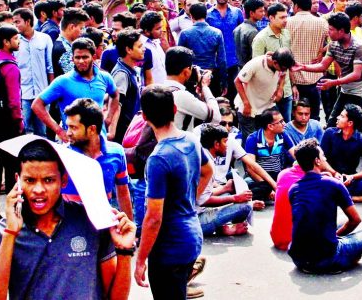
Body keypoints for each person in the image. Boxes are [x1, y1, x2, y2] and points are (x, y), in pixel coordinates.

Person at [0, 140, 136, 300]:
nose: (38, 190)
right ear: (17, 180)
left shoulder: (92, 221)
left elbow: (116, 297)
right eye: (29, 180)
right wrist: (10, 234)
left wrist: (124, 251)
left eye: (48, 180)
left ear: (64, 180)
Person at [134, 85, 212, 299]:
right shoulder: (191, 140)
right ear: (175, 109)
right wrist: (188, 201)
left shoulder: (158, 159)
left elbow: (153, 218)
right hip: (192, 236)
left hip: (170, 247)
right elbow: (208, 171)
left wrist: (140, 259)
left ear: (144, 117)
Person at [288, 139, 362, 273]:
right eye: (323, 156)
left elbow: (307, 217)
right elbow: (355, 220)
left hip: (299, 259)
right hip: (327, 257)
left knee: (338, 222)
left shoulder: (293, 189)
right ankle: (339, 260)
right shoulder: (333, 184)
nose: (325, 158)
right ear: (317, 161)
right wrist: (336, 236)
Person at [293, 13, 362, 130]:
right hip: (345, 89)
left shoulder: (359, 47)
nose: (328, 32)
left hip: (360, 91)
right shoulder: (333, 45)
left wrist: (333, 83)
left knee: (360, 126)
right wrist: (303, 67)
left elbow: (356, 75)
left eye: (331, 30)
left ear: (341, 31)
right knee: (332, 123)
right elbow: (323, 66)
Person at [33, 38, 120, 142]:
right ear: (72, 59)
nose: (81, 61)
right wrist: (59, 131)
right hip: (74, 143)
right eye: (77, 57)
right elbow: (37, 105)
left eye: (85, 57)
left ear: (93, 57)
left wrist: (109, 119)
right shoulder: (63, 81)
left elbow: (115, 94)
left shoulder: (104, 77)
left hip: (99, 140)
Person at [61, 98, 132, 218]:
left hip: (103, 227)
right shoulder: (62, 156)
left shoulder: (117, 153)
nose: (68, 133)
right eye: (67, 127)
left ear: (92, 129)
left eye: (74, 127)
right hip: (69, 229)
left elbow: (123, 193)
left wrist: (130, 227)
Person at [0, 25, 25, 226]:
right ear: (6, 42)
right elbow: (14, 102)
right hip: (8, 124)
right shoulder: (10, 67)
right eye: (16, 39)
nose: (18, 42)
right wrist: (19, 124)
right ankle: (13, 213)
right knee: (12, 170)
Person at [197, 123, 254, 236]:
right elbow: (203, 200)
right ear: (216, 144)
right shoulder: (207, 165)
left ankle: (223, 227)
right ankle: (227, 229)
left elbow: (200, 193)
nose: (227, 145)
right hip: (197, 222)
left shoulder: (202, 157)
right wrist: (235, 198)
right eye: (225, 141)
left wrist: (225, 189)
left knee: (226, 196)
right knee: (245, 206)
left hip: (189, 215)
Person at [234, 49, 295, 141]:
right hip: (249, 108)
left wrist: (280, 88)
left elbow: (283, 75)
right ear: (275, 62)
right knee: (251, 141)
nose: (284, 71)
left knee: (275, 136)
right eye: (283, 68)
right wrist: (246, 103)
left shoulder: (281, 66)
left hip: (267, 106)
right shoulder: (255, 64)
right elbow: (237, 81)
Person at [287, 0, 329, 119]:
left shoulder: (287, 23)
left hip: (294, 78)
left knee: (296, 118)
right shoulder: (321, 22)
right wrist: (323, 52)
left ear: (296, 5)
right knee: (314, 117)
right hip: (315, 76)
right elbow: (334, 43)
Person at [12, 8, 54, 136]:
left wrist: (52, 91)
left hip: (42, 92)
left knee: (42, 131)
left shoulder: (44, 38)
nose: (15, 25)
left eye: (17, 22)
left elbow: (49, 66)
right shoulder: (15, 42)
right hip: (22, 93)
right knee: (23, 129)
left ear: (28, 21)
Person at [161, 46, 221, 131]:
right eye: (191, 68)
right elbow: (216, 117)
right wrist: (205, 86)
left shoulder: (158, 90)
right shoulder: (181, 96)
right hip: (180, 143)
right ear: (186, 71)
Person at [178, 3, 227, 95]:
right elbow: (222, 60)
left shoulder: (185, 33)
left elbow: (180, 58)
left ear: (191, 15)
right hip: (211, 74)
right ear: (206, 14)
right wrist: (224, 82)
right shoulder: (217, 33)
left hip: (191, 76)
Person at [234, 0, 265, 67]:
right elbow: (255, 55)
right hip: (249, 68)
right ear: (251, 13)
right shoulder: (253, 32)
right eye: (261, 11)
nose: (263, 13)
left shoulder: (237, 28)